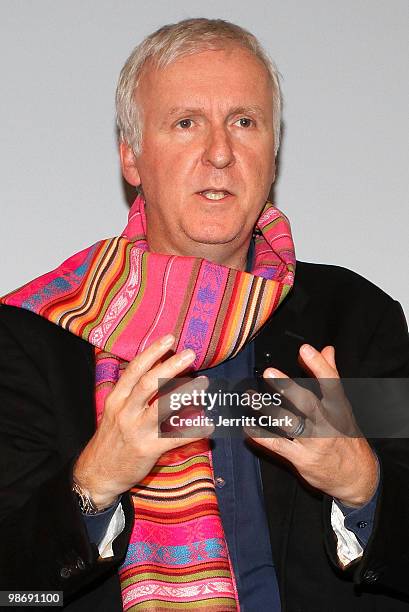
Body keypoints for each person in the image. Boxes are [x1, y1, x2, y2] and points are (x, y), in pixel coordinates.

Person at [0, 17, 408, 612]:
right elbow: (13, 589)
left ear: (272, 154)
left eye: (244, 122)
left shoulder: (355, 320)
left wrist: (360, 484)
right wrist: (93, 484)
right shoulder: (36, 335)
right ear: (132, 159)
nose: (220, 152)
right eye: (186, 123)